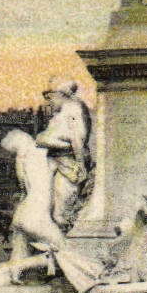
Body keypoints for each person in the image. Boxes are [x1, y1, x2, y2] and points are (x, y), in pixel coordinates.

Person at [35, 77, 92, 229]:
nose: (48, 102)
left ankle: (64, 248)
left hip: (67, 165)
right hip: (56, 163)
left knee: (60, 213)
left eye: (50, 97)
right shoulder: (59, 115)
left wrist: (80, 164)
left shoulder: (73, 109)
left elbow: (77, 139)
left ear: (61, 94)